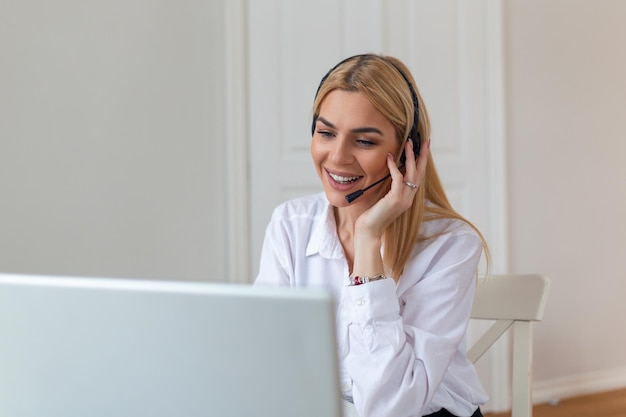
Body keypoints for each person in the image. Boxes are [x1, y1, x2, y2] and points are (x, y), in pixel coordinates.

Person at [255, 53, 489, 417]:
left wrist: (368, 241)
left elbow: (391, 407)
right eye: (326, 132)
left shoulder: (451, 245)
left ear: (407, 151)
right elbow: (267, 358)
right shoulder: (290, 224)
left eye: (364, 141)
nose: (337, 156)